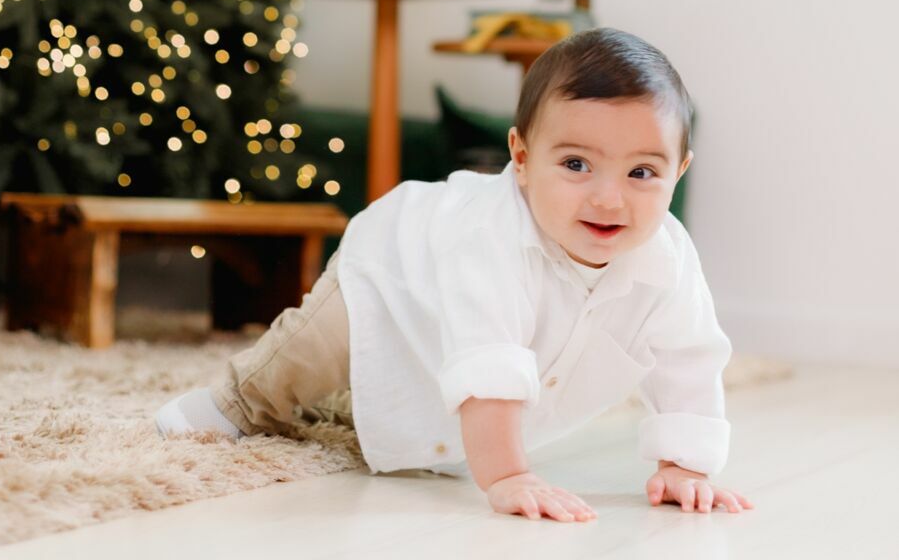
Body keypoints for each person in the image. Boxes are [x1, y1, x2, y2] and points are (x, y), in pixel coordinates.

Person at [156, 28, 754, 522]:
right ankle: (232, 402)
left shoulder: (669, 260)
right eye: (576, 164)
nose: (608, 199)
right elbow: (490, 358)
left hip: (447, 322)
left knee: (408, 407)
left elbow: (690, 358)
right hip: (393, 276)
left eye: (642, 173)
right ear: (520, 159)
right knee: (310, 355)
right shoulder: (488, 239)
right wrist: (508, 474)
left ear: (679, 170)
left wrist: (684, 463)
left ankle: (360, 407)